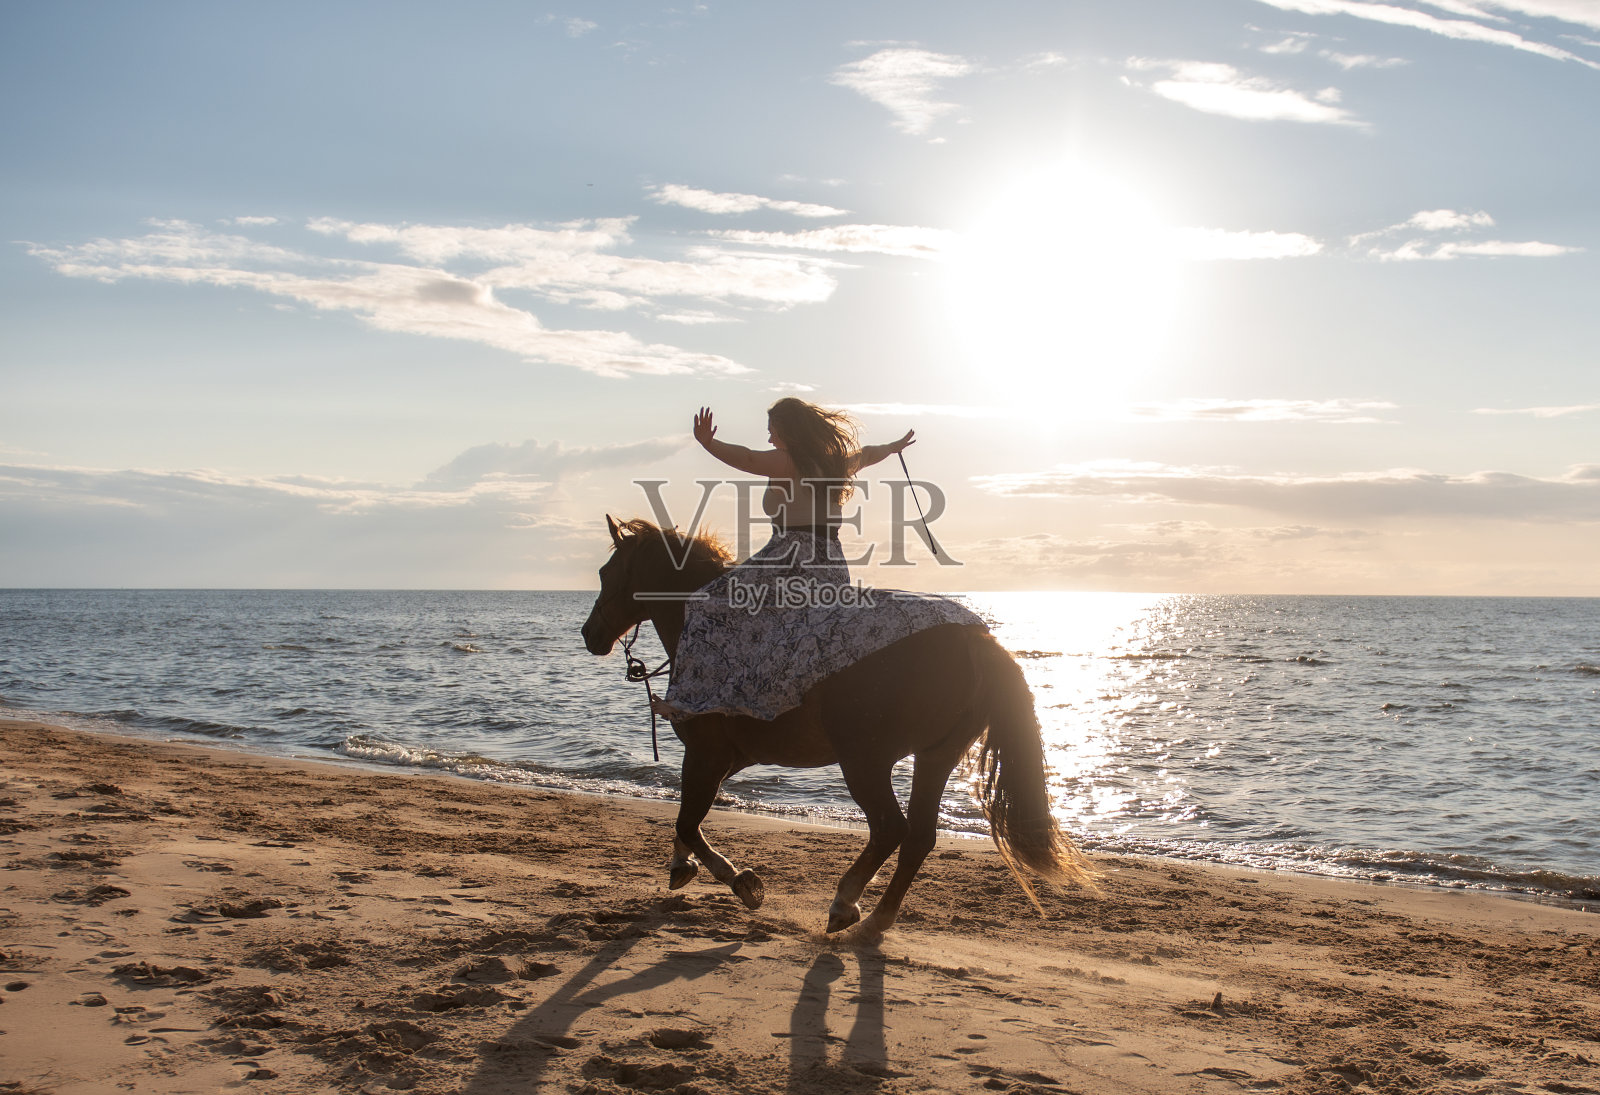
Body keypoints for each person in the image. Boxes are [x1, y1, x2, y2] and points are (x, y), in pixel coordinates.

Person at [659, 398, 985, 722]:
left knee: (707, 602)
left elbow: (745, 458)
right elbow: (869, 454)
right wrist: (893, 446)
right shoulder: (834, 463)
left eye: (773, 431)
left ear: (790, 431)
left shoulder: (788, 462)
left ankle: (691, 699)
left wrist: (709, 443)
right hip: (831, 565)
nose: (770, 438)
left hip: (789, 560)